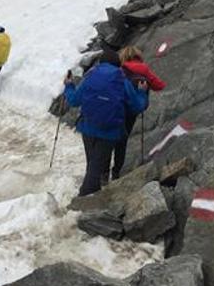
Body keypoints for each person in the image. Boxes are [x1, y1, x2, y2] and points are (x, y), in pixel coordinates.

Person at [64, 48, 149, 196]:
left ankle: (88, 199)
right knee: (95, 169)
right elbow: (137, 106)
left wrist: (69, 85)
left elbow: (73, 100)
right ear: (118, 64)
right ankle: (85, 201)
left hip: (88, 127)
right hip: (109, 132)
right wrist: (142, 92)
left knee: (92, 166)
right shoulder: (122, 80)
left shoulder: (91, 76)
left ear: (100, 63)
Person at [107, 46, 167, 180]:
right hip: (132, 110)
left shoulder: (120, 69)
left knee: (111, 138)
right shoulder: (144, 69)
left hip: (117, 108)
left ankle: (103, 171)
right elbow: (160, 85)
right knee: (122, 141)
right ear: (138, 56)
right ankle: (116, 172)